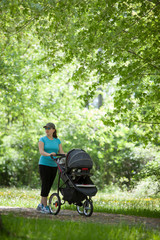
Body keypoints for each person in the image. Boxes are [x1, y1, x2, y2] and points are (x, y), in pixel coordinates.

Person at [37, 122, 66, 214]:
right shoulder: (42, 139)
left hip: (54, 165)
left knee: (49, 185)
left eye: (48, 128)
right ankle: (45, 206)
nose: (47, 130)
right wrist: (49, 154)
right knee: (45, 184)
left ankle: (41, 205)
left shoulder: (57, 141)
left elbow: (61, 152)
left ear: (53, 130)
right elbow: (41, 151)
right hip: (44, 164)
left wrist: (67, 154)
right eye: (46, 128)